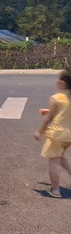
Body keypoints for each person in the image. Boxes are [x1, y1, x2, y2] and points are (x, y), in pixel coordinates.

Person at [34, 67, 71, 198]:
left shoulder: (56, 98)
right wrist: (49, 111)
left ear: (62, 83)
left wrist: (40, 131)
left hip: (57, 135)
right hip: (68, 136)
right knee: (61, 157)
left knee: (54, 161)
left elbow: (49, 118)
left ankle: (55, 190)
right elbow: (63, 113)